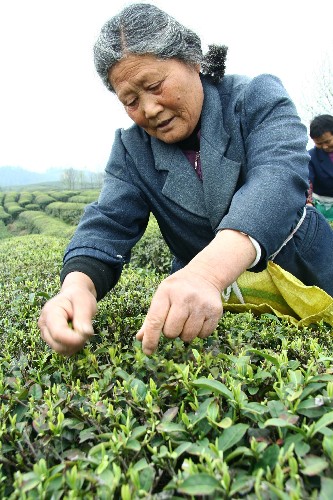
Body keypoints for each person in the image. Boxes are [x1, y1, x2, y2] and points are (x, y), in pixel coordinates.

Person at [38, 3, 333, 357]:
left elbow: (279, 178)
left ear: (192, 60)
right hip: (212, 306)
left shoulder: (254, 97)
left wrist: (207, 273)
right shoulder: (132, 150)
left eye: (155, 85)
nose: (148, 109)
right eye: (130, 100)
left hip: (304, 268)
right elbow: (108, 222)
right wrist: (78, 286)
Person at [307, 114, 333, 220]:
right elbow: (308, 181)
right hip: (322, 205)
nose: (325, 146)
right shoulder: (311, 156)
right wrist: (309, 202)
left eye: (327, 141)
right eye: (319, 143)